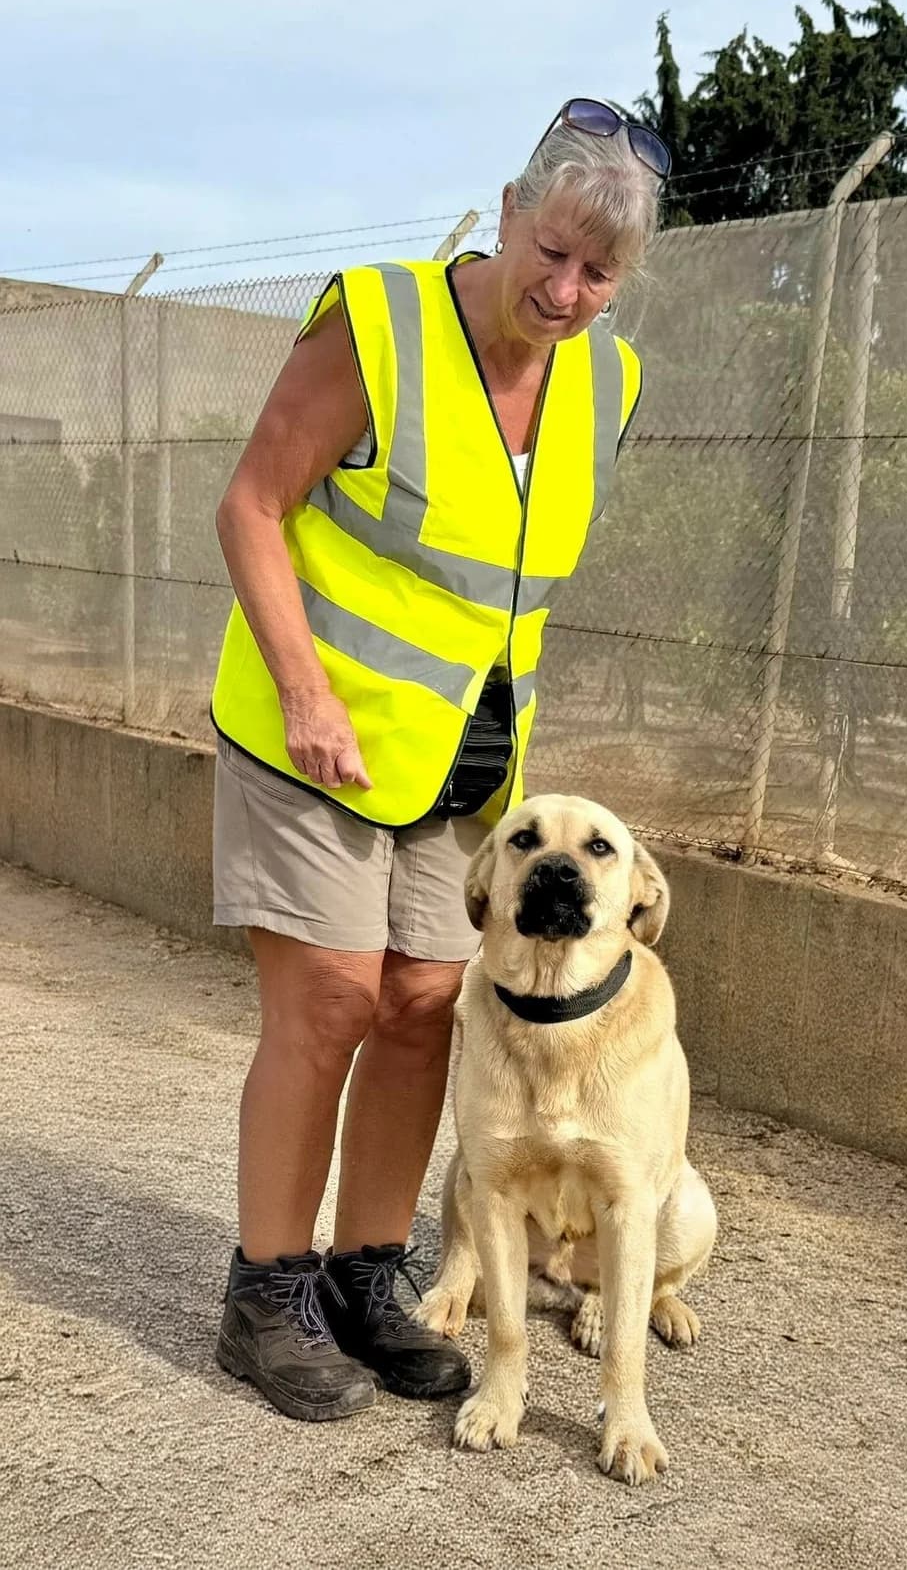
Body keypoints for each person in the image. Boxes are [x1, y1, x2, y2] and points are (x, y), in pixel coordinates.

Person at [208, 100, 670, 1421]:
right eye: (553, 251)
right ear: (510, 210)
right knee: (331, 1000)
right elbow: (251, 504)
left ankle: (366, 1274)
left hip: (466, 764)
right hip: (315, 733)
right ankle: (266, 1295)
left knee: (423, 1005)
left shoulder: (609, 382)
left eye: (600, 273)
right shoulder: (383, 324)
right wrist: (305, 686)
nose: (567, 292)